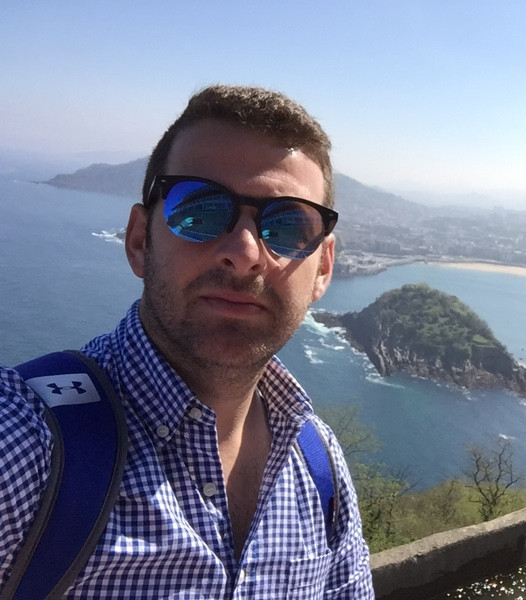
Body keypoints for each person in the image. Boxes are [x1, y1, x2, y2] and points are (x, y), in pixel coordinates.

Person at [0, 85, 374, 598]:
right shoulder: (29, 444)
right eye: (199, 212)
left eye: (289, 226)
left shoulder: (319, 465)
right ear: (139, 240)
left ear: (323, 268)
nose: (245, 253)